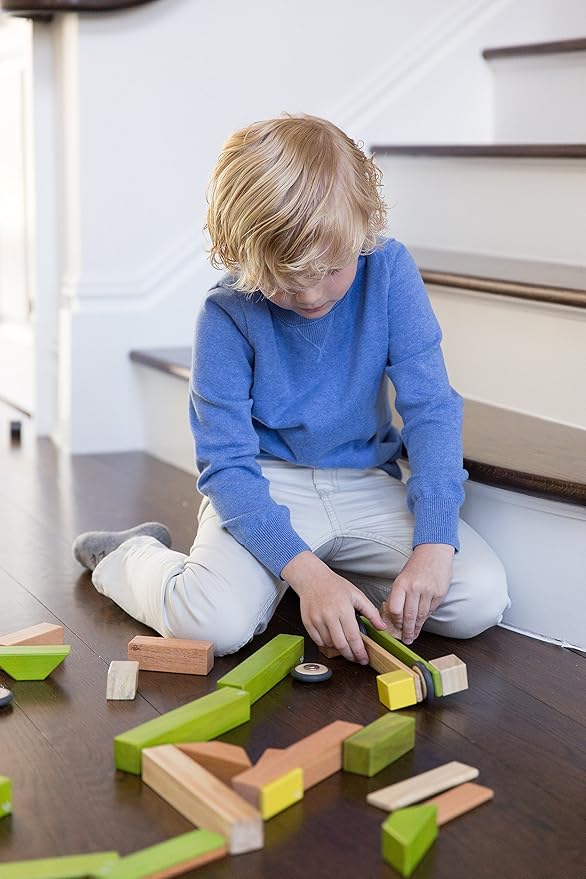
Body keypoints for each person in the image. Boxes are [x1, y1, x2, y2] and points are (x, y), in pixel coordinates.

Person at [73, 112, 510, 665]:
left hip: (364, 480)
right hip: (266, 481)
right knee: (212, 623)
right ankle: (129, 555)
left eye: (330, 269)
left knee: (477, 598)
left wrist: (434, 542)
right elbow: (226, 464)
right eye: (284, 281)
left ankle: (325, 585)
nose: (308, 296)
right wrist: (305, 572)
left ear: (363, 230)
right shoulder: (225, 313)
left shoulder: (391, 271)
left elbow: (432, 411)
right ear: (244, 258)